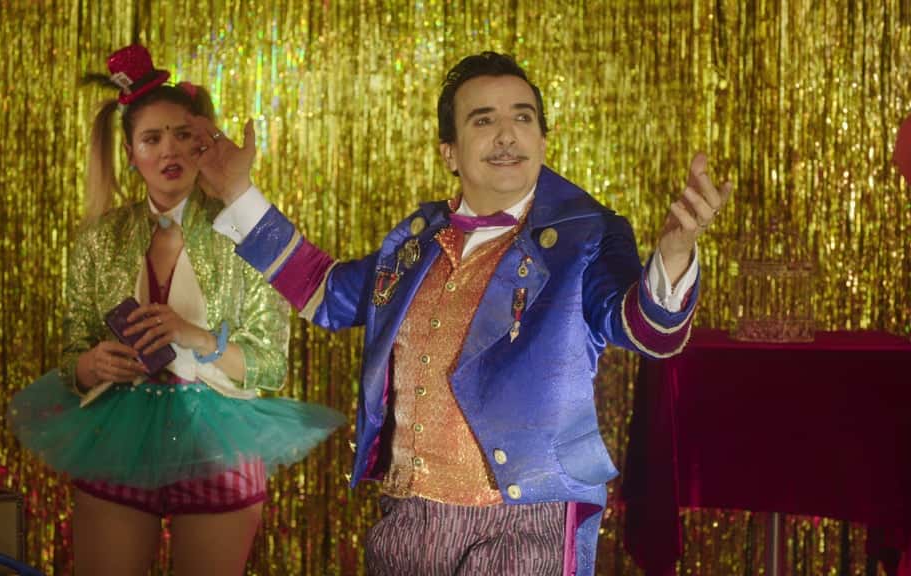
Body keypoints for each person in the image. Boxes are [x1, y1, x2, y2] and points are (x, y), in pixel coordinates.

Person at [194, 51, 732, 575]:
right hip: (409, 519)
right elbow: (327, 294)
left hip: (527, 523)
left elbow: (644, 330)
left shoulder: (587, 236)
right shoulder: (416, 242)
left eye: (523, 117)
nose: (507, 135)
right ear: (449, 152)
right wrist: (239, 194)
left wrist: (675, 253)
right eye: (483, 120)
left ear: (543, 140)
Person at [8, 45, 345, 576]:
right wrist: (90, 365)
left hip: (218, 440)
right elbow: (73, 355)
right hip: (116, 435)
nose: (170, 150)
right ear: (130, 152)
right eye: (152, 139)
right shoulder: (100, 240)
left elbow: (270, 366)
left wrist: (197, 337)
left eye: (183, 135)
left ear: (203, 142)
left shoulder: (246, 234)